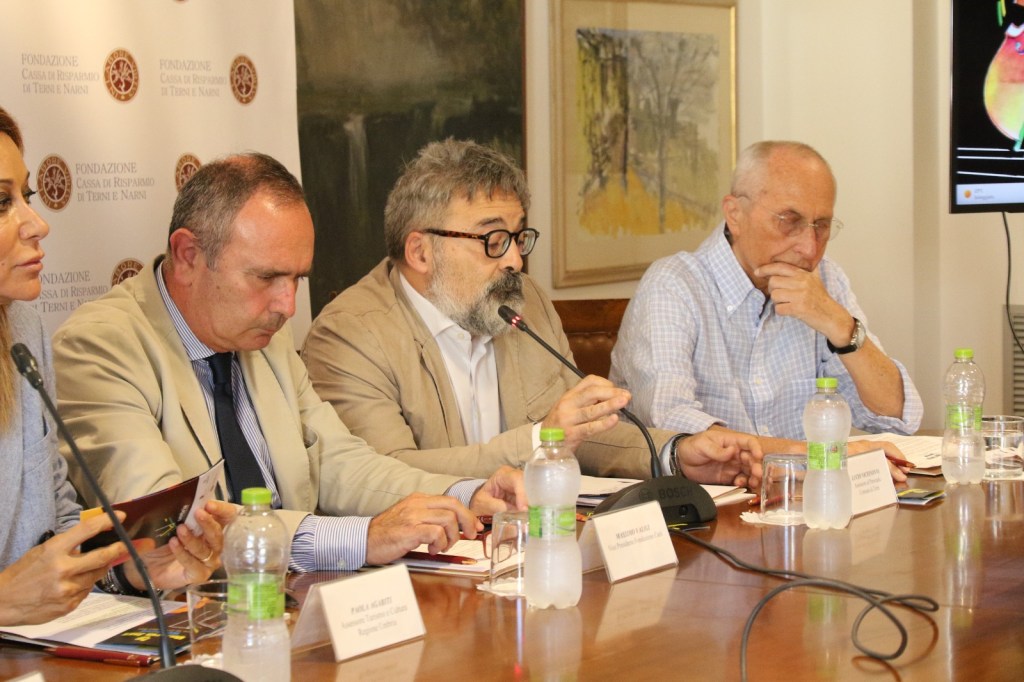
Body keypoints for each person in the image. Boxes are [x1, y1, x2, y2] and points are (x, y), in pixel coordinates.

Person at [52, 151, 524, 575]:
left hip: (291, 599)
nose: (288, 305)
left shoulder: (263, 334)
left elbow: (339, 462)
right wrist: (360, 538)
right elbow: (172, 533)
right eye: (267, 277)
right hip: (193, 617)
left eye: (298, 279)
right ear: (188, 255)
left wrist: (463, 494)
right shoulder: (101, 345)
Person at [302, 139, 761, 489]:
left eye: (518, 237)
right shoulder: (349, 336)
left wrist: (676, 454)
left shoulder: (526, 302)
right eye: (493, 240)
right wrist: (542, 439)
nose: (515, 261)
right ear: (421, 252)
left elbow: (580, 434)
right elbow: (385, 474)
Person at [0, 106, 228, 626]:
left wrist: (132, 570)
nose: (38, 224)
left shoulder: (23, 329)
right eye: (0, 202)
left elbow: (56, 528)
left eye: (27, 197)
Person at [610, 140, 923, 472]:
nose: (809, 248)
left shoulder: (826, 279)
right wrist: (818, 456)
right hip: (702, 498)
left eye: (822, 226)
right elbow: (671, 425)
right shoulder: (674, 284)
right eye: (789, 221)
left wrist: (839, 323)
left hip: (799, 495)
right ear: (735, 215)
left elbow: (895, 416)